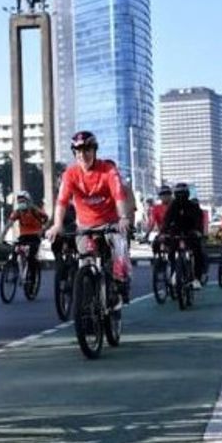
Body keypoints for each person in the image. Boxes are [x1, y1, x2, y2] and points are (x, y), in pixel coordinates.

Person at [44, 131, 133, 309]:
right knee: (85, 264)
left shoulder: (108, 169)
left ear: (94, 151)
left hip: (110, 223)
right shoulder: (70, 174)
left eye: (87, 150)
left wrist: (123, 218)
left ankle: (119, 287)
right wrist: (57, 225)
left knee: (118, 255)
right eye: (78, 152)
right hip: (85, 225)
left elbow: (119, 194)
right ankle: (89, 315)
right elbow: (61, 201)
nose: (82, 155)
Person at [160, 183, 207, 289]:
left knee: (197, 253)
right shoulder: (173, 206)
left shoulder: (193, 206)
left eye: (183, 193)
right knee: (171, 252)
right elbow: (167, 220)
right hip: (176, 232)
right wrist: (163, 233)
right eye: (178, 193)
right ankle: (173, 272)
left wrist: (198, 231)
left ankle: (197, 279)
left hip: (191, 232)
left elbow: (199, 220)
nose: (181, 196)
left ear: (187, 194)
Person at [1, 191, 48, 284]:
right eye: (19, 202)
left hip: (35, 236)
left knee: (31, 257)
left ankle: (33, 278)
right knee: (14, 251)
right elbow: (9, 223)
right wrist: (2, 235)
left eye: (23, 201)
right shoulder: (18, 212)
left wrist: (42, 229)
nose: (21, 203)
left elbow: (46, 218)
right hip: (23, 236)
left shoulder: (35, 210)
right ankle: (15, 272)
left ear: (28, 201)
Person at [146, 185, 173, 256]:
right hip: (163, 233)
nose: (165, 196)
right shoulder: (156, 208)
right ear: (160, 196)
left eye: (167, 194)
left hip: (176, 233)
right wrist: (147, 234)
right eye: (163, 194)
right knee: (156, 245)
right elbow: (152, 223)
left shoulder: (176, 206)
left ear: (170, 195)